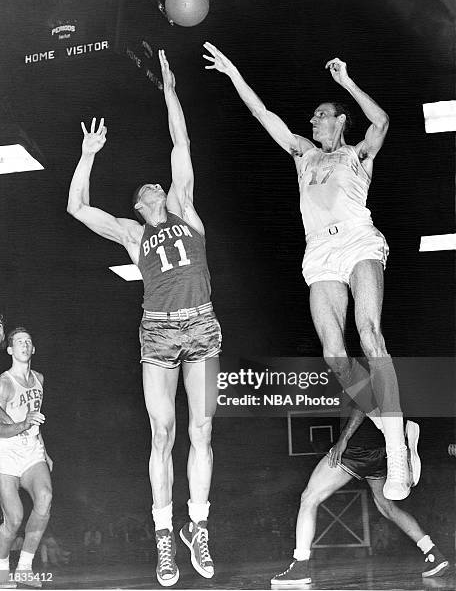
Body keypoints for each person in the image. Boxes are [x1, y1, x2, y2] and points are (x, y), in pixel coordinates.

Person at [203, 43, 418, 500]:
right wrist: (233, 71)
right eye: (313, 117)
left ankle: (396, 454)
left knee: (370, 332)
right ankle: (396, 427)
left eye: (321, 114)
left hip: (358, 239)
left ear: (340, 120)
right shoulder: (303, 154)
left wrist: (346, 84)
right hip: (319, 250)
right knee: (334, 355)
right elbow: (263, 114)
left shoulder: (358, 153)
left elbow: (381, 122)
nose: (312, 121)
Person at [67, 50, 221, 587]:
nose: (157, 184)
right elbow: (78, 209)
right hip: (157, 329)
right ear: (138, 203)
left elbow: (181, 144)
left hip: (201, 324)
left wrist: (169, 91)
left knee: (202, 430)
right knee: (164, 433)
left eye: (160, 183)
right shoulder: (134, 235)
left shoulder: (185, 208)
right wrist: (88, 155)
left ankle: (196, 527)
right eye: (148, 188)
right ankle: (163, 538)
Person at [271, 410, 449, 587]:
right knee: (387, 507)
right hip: (380, 450)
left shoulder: (350, 381)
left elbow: (361, 404)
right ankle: (433, 553)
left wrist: (343, 439)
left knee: (309, 498)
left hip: (357, 448)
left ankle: (300, 567)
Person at [0, 328, 53, 589]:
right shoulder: (4, 383)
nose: (24, 344)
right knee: (14, 518)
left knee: (44, 498)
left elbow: (36, 420)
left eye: (29, 341)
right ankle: (1, 572)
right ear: (9, 349)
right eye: (19, 341)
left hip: (31, 450)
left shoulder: (40, 378)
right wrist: (23, 424)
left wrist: (44, 448)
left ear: (33, 350)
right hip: (6, 452)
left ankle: (24, 568)